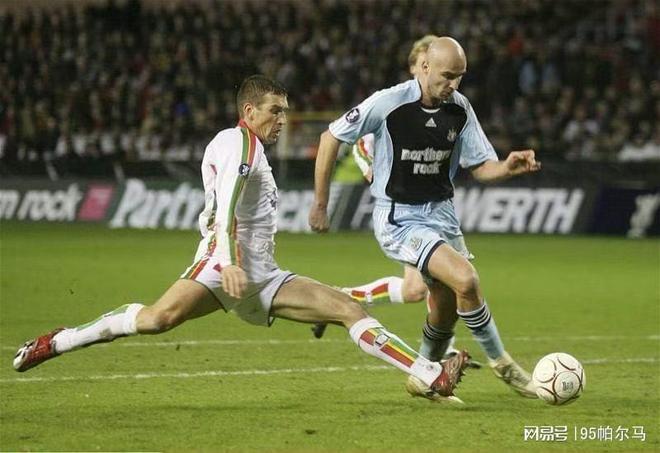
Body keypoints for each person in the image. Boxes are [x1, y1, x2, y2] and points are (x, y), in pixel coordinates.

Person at [13, 75, 469, 403]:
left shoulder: (246, 148)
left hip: (262, 276)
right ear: (249, 112)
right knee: (156, 319)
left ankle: (430, 374)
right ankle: (61, 340)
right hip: (222, 266)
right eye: (275, 111)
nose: (283, 119)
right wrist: (229, 261)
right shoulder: (242, 145)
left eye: (284, 111)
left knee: (348, 310)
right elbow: (227, 207)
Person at [309, 37, 541, 401]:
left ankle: (424, 373)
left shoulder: (460, 108)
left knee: (445, 306)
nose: (453, 84)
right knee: (466, 279)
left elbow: (481, 167)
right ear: (425, 67)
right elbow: (330, 137)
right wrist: (321, 204)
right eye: (447, 76)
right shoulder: (389, 102)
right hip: (400, 217)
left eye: (459, 77)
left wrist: (506, 167)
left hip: (442, 214)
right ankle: (504, 365)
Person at [312, 35, 482, 369]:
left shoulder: (442, 108)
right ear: (418, 67)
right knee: (422, 286)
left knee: (421, 287)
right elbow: (360, 145)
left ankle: (434, 350)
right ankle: (433, 353)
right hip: (401, 210)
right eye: (421, 64)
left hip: (428, 210)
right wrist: (376, 175)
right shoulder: (392, 107)